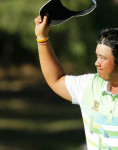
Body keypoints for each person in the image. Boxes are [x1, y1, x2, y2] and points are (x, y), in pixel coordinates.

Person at [34, 15, 118, 150]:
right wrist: (42, 38)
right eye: (97, 56)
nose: (96, 63)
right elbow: (56, 80)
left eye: (103, 58)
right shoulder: (89, 85)